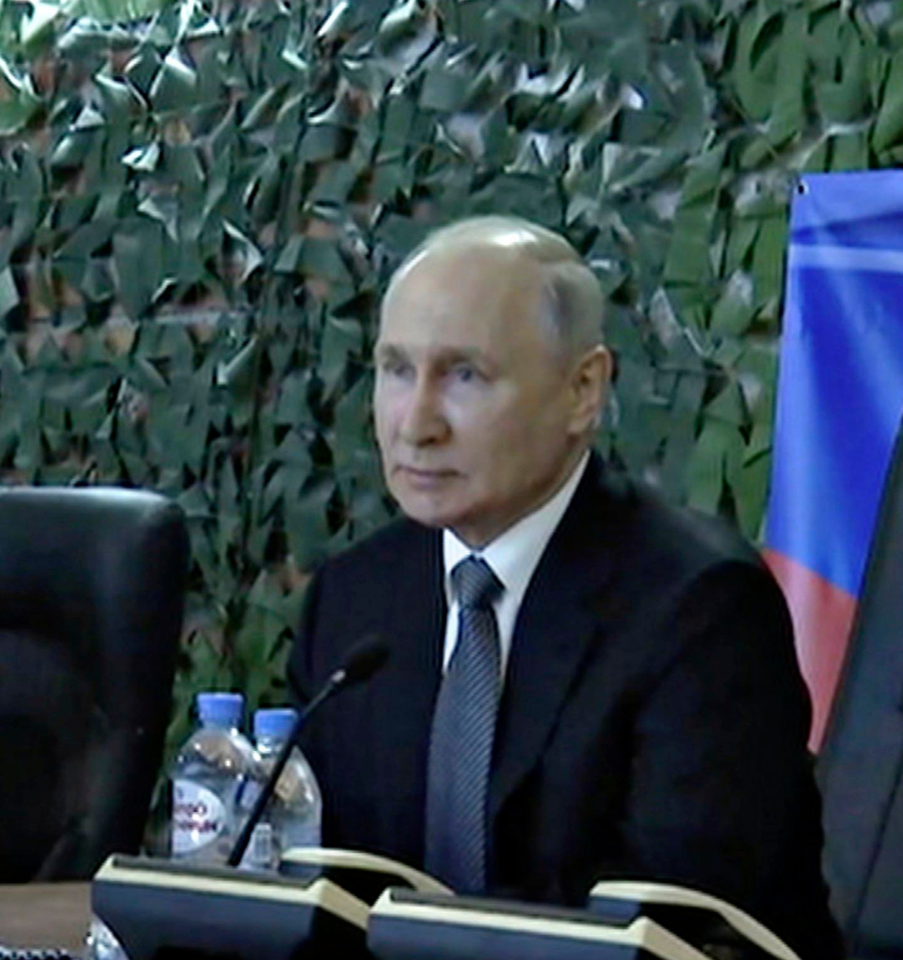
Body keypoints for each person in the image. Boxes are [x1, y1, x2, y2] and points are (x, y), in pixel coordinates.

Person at [288, 217, 842, 958]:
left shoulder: (700, 608)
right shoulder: (354, 600)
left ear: (583, 391)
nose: (415, 424)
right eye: (395, 369)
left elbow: (669, 930)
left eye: (464, 376)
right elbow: (312, 883)